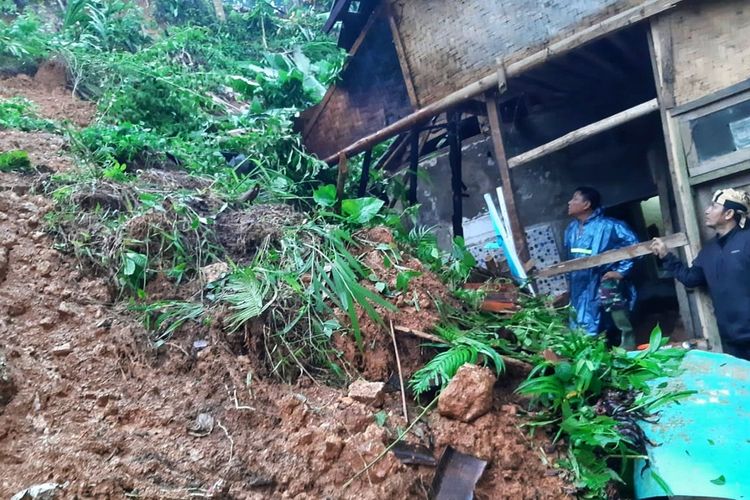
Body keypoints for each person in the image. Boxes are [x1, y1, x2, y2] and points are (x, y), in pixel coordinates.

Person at [650, 188, 750, 360]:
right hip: (731, 338)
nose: (707, 210)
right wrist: (666, 256)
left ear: (729, 214)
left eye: (713, 206)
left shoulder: (747, 240)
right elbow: (691, 278)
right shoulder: (709, 250)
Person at [564, 187, 639, 347]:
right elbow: (569, 260)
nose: (570, 202)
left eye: (575, 199)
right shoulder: (571, 229)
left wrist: (620, 272)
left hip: (604, 285)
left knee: (611, 325)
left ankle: (623, 354)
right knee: (580, 328)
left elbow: (635, 247)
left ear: (586, 204)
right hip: (578, 287)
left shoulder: (610, 226)